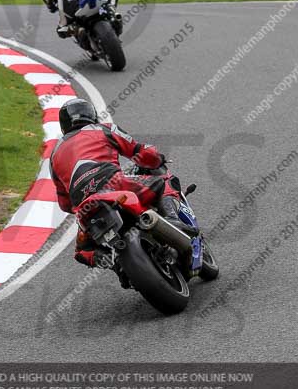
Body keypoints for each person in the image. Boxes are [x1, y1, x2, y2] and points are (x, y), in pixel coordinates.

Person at [50, 98, 197, 270]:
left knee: (81, 251)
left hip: (85, 207)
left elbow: (65, 203)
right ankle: (173, 221)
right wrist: (158, 158)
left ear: (63, 125)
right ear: (91, 115)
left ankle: (113, 263)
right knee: (161, 183)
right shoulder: (103, 129)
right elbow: (141, 152)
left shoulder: (54, 155)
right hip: (115, 184)